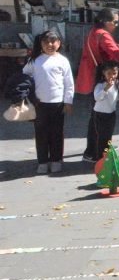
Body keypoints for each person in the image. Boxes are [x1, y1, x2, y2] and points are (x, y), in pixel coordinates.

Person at [76, 7, 119, 162]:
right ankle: (94, 152)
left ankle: (94, 149)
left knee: (95, 116)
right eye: (115, 22)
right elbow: (117, 54)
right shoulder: (103, 35)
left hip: (91, 75)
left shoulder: (93, 32)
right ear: (105, 22)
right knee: (100, 119)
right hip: (99, 77)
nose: (117, 25)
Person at [23, 31, 74, 174]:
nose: (50, 45)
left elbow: (69, 83)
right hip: (39, 104)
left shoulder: (63, 61)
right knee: (41, 133)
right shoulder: (35, 61)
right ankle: (43, 162)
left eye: (53, 41)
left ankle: (56, 160)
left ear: (59, 43)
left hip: (57, 104)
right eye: (46, 42)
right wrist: (28, 96)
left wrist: (68, 101)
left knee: (56, 133)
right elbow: (24, 76)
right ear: (40, 44)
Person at [91, 61, 119, 161]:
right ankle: (100, 158)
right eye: (109, 73)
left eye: (114, 73)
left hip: (111, 115)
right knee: (102, 137)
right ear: (104, 73)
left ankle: (106, 156)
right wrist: (106, 88)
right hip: (99, 115)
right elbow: (97, 97)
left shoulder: (117, 83)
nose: (112, 76)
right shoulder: (100, 85)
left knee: (108, 136)